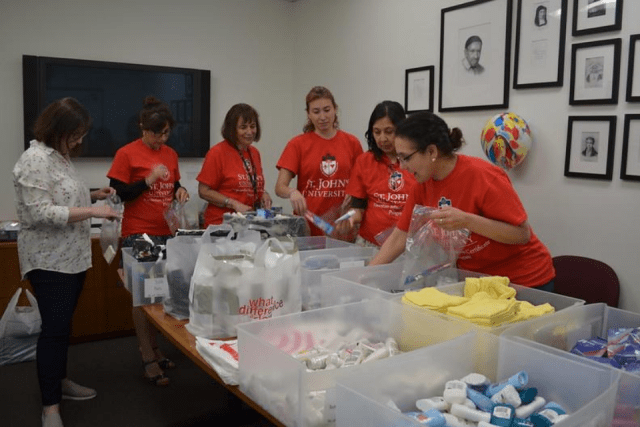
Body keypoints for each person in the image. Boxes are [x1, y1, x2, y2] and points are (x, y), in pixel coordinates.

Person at [13, 97, 121, 427]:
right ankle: (50, 408)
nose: (79, 140)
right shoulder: (34, 159)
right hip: (49, 261)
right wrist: (93, 210)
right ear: (57, 129)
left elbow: (63, 196)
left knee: (62, 328)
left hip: (72, 258)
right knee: (54, 331)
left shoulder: (60, 158)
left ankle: (59, 382)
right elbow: (40, 211)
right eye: (75, 134)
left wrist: (94, 194)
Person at [370, 112, 555, 291]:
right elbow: (399, 237)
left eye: (406, 158)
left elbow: (521, 234)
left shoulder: (483, 176)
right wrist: (366, 276)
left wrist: (467, 221)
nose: (402, 166)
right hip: (478, 284)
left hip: (524, 281)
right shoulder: (422, 184)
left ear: (432, 151)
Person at [107, 96, 189, 387]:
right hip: (138, 233)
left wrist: (180, 191)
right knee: (143, 297)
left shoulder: (171, 154)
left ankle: (156, 348)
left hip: (166, 232)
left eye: (166, 133)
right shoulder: (127, 153)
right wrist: (147, 180)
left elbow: (174, 184)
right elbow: (119, 194)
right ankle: (147, 357)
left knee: (162, 295)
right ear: (143, 128)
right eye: (157, 133)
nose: (162, 139)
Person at [275, 86, 363, 236]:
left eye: (327, 110)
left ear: (335, 109)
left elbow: (362, 182)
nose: (322, 117)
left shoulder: (352, 143)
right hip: (309, 227)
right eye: (316, 112)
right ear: (308, 114)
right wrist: (292, 192)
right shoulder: (297, 144)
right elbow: (279, 187)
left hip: (342, 228)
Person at [335, 101, 416, 246]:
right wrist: (350, 218)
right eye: (377, 132)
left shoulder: (415, 159)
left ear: (402, 130)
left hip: (407, 244)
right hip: (370, 242)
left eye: (389, 131)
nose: (382, 139)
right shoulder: (365, 161)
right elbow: (357, 208)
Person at [197, 103, 271, 226]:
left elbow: (250, 183)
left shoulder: (254, 153)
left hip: (248, 224)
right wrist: (233, 203)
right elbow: (203, 191)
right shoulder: (217, 153)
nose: (249, 132)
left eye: (253, 126)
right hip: (221, 224)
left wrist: (263, 194)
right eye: (243, 127)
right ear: (232, 129)